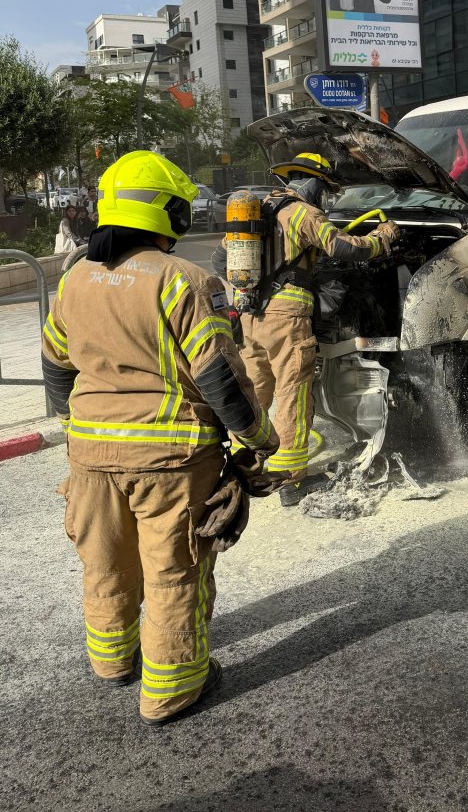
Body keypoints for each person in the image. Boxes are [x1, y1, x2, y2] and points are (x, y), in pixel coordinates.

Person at [41, 151, 279, 727]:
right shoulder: (186, 280)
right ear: (168, 212)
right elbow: (220, 377)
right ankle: (171, 691)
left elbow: (54, 363)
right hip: (170, 461)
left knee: (105, 563)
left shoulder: (75, 278)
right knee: (174, 571)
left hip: (89, 456)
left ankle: (112, 663)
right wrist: (259, 438)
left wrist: (81, 425)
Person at [215, 153, 399, 508]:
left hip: (252, 314)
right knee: (292, 395)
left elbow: (220, 261)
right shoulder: (302, 213)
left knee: (254, 393)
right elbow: (344, 247)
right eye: (325, 190)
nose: (325, 198)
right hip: (287, 318)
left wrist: (251, 286)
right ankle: (290, 481)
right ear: (312, 182)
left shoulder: (258, 211)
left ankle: (243, 466)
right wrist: (383, 236)